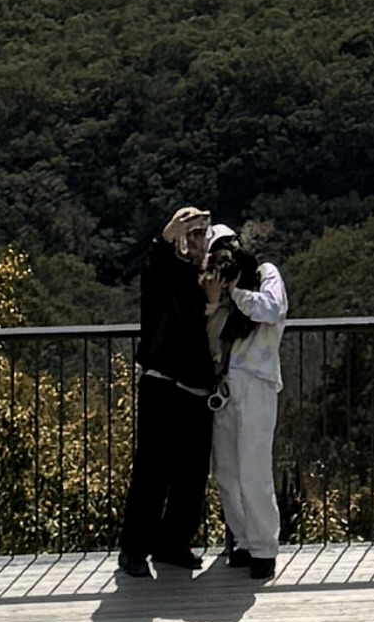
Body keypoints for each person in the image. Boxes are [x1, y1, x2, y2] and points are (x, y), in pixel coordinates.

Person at [117, 202, 217, 577]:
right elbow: (156, 257)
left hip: (198, 388)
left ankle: (173, 542)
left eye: (200, 233)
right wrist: (169, 232)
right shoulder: (163, 273)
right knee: (152, 471)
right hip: (162, 383)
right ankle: (134, 549)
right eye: (190, 234)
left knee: (192, 474)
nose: (196, 240)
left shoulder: (208, 277)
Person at [209, 225, 288, 575]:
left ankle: (264, 547)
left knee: (254, 468)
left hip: (257, 380)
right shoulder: (215, 287)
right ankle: (242, 539)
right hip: (225, 385)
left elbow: (271, 309)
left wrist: (235, 290)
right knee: (227, 470)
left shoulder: (264, 274)